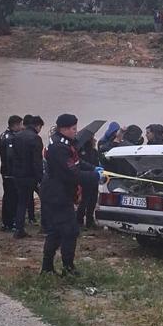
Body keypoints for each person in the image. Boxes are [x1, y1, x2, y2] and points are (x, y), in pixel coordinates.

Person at [40, 114, 98, 275]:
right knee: (70, 231)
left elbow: (77, 162)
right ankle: (67, 267)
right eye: (73, 129)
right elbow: (71, 174)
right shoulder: (59, 147)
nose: (76, 131)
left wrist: (93, 168)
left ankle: (48, 268)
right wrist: (95, 177)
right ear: (64, 129)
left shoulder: (64, 143)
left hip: (58, 191)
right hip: (56, 193)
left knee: (57, 231)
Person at [11, 115, 44, 239]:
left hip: (18, 174)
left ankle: (18, 228)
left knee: (21, 202)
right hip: (30, 175)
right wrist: (40, 178)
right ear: (37, 126)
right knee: (44, 199)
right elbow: (37, 161)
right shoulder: (36, 139)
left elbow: (13, 157)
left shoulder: (17, 136)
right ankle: (44, 226)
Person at [0, 115, 23, 232]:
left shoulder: (3, 135)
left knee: (7, 196)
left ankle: (6, 222)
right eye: (21, 124)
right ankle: (10, 222)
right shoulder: (10, 138)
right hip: (11, 172)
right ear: (16, 125)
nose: (22, 127)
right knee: (13, 197)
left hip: (5, 171)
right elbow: (10, 156)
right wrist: (15, 170)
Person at [76, 131, 101, 229]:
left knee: (93, 200)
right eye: (92, 138)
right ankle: (79, 220)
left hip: (94, 178)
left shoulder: (94, 151)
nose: (94, 139)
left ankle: (90, 220)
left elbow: (96, 163)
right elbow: (81, 164)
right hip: (86, 178)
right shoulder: (81, 151)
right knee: (85, 200)